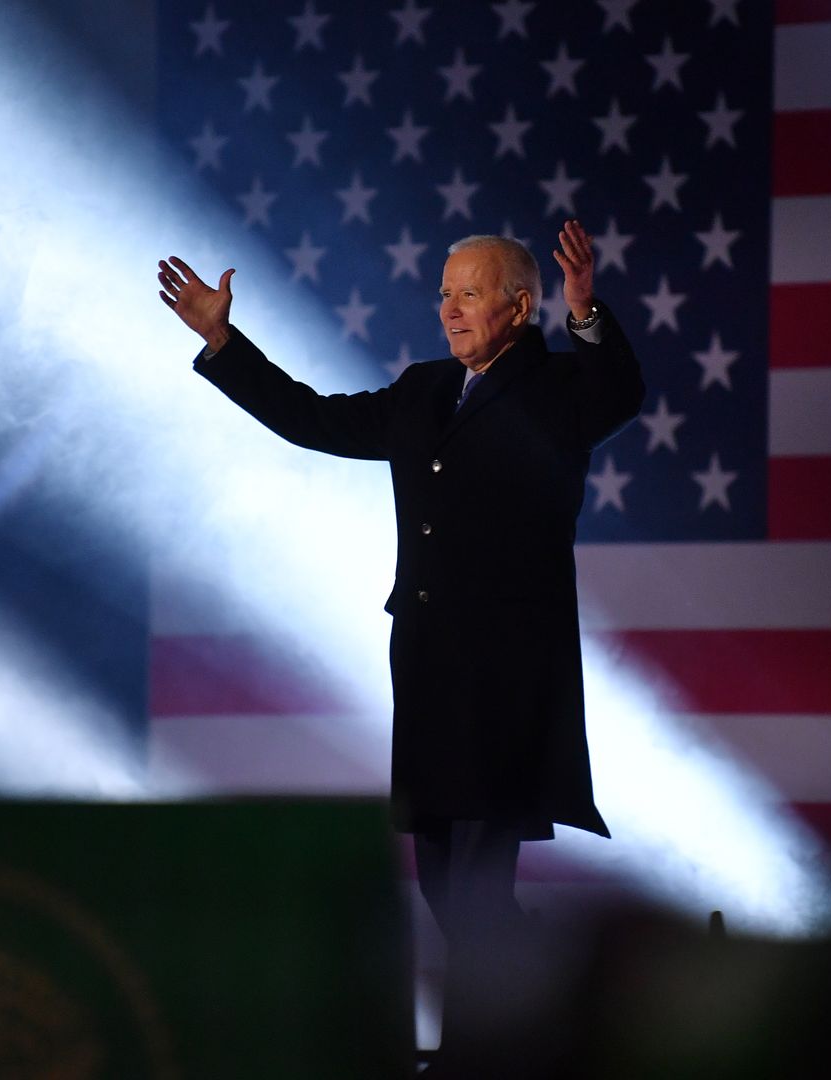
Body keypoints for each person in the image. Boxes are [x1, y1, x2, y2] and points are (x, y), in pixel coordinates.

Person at [158, 220, 643, 1070]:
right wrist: (223, 342)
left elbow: (620, 394)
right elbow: (308, 417)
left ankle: (477, 1058)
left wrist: (590, 313)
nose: (448, 308)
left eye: (468, 292)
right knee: (445, 889)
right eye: (444, 292)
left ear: (520, 307)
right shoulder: (422, 391)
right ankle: (537, 1016)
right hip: (427, 669)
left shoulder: (561, 389)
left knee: (480, 887)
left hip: (507, 677)